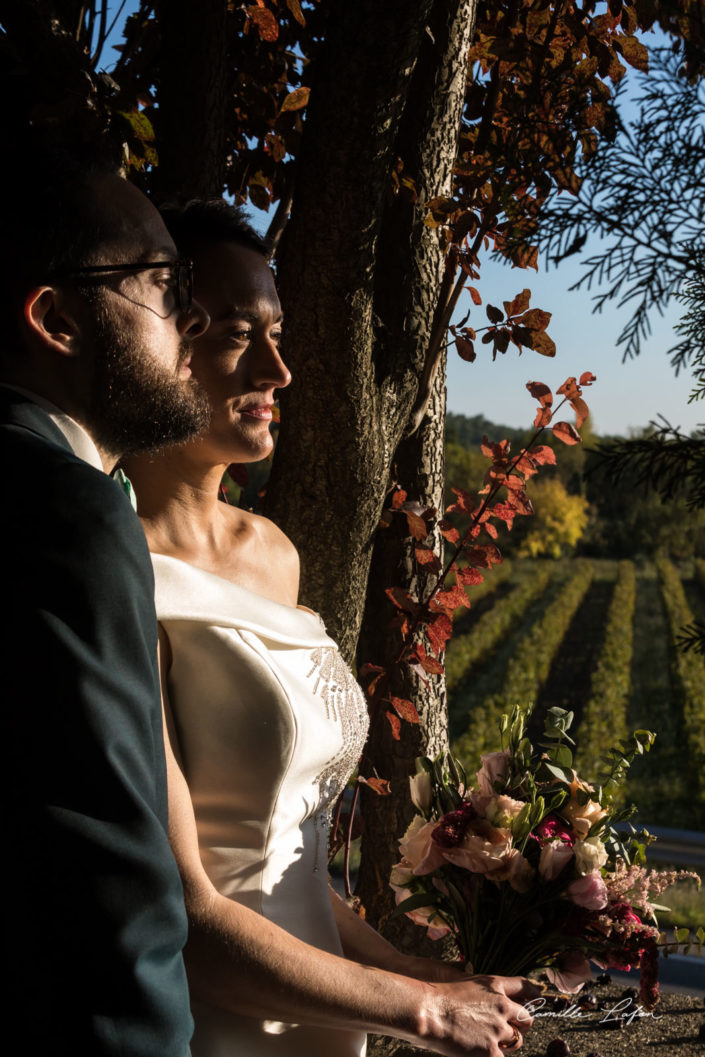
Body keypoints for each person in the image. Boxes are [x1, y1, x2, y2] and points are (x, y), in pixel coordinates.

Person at [124, 199, 537, 1057]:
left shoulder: (275, 554)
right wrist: (417, 1008)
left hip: (322, 1014)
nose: (278, 368)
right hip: (212, 1020)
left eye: (278, 333)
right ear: (163, 338)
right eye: (239, 333)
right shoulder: (115, 567)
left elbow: (292, 862)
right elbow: (180, 905)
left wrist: (425, 976)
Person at [1, 152, 211, 1057]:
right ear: (56, 319)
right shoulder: (66, 510)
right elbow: (111, 876)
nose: (191, 317)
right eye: (163, 285)